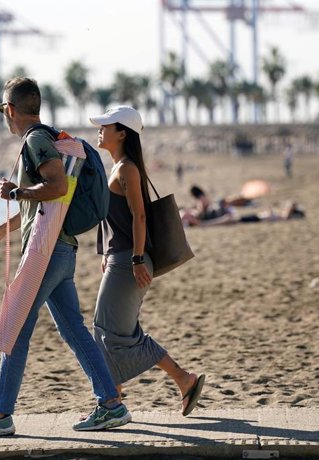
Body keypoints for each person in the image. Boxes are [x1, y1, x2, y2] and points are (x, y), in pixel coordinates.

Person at [0, 77, 131, 436]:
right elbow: (46, 202)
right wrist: (1, 230)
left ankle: (0, 414)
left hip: (47, 252)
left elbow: (56, 186)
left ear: (10, 109)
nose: (4, 114)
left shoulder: (35, 140)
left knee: (15, 325)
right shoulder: (48, 136)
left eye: (3, 108)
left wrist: (16, 190)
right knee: (74, 331)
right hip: (61, 249)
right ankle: (111, 403)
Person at [89, 106, 205, 417]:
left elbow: (140, 216)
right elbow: (116, 219)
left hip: (130, 260)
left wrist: (138, 258)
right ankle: (181, 380)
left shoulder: (126, 168)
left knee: (107, 332)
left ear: (122, 133)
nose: (99, 130)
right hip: (121, 258)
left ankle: (111, 400)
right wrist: (108, 254)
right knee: (112, 332)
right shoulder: (116, 167)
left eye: (106, 126)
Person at [180, 200, 305, 227]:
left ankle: (204, 224)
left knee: (229, 219)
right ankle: (203, 223)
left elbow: (291, 205)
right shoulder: (281, 215)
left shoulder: (284, 217)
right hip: (249, 218)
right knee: (229, 219)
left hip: (252, 219)